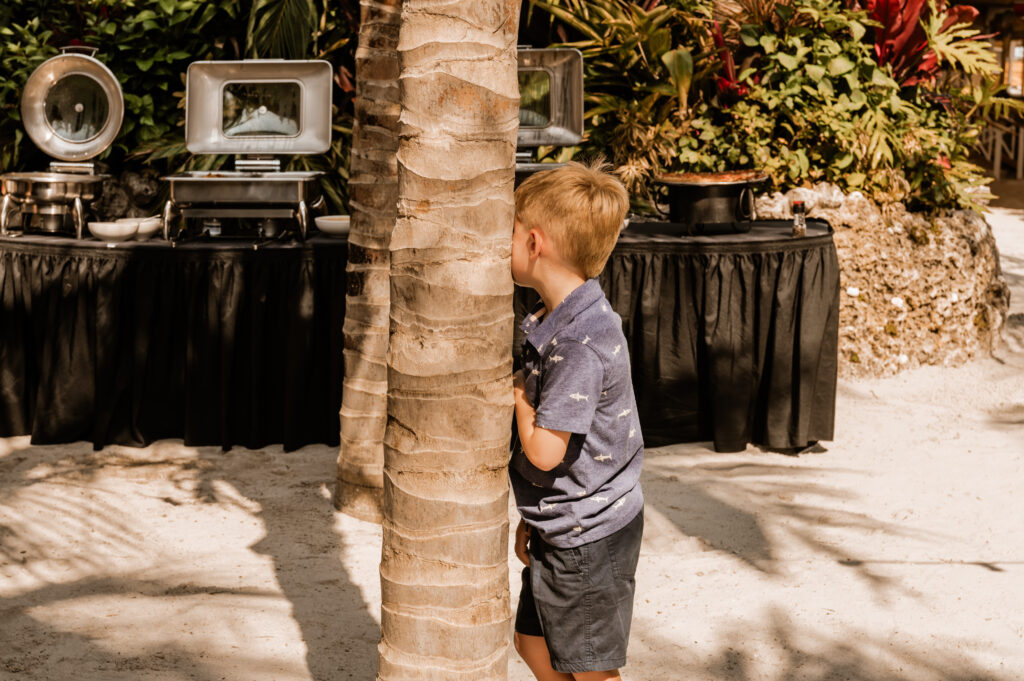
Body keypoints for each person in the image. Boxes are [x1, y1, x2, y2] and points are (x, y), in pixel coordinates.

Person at [509, 159, 644, 681]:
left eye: (511, 232)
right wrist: (535, 516)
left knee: (590, 669)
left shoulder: (580, 342)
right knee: (532, 642)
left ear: (535, 243)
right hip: (564, 519)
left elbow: (545, 451)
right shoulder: (561, 318)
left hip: (588, 535)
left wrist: (519, 395)